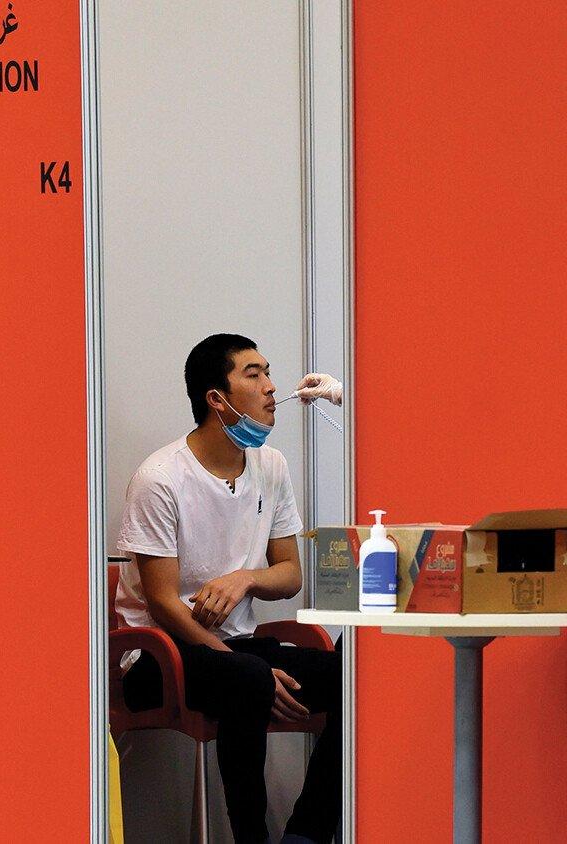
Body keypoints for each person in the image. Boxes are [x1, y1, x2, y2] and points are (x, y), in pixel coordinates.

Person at [115, 334, 345, 844]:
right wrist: (246, 664)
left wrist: (245, 578)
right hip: (157, 657)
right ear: (216, 399)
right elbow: (160, 601)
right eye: (253, 374)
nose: (271, 388)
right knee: (247, 677)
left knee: (352, 678)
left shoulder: (271, 466)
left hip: (237, 652)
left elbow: (290, 574)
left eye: (268, 373)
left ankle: (304, 835)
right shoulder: (160, 478)